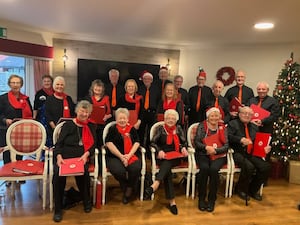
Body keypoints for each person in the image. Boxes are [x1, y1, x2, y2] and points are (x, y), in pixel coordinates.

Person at [52, 100, 96, 222]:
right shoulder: (68, 125)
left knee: (84, 173)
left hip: (81, 157)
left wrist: (86, 154)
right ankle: (58, 209)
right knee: (57, 175)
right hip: (64, 158)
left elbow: (93, 145)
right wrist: (59, 157)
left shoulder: (91, 126)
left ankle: (87, 202)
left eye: (86, 112)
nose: (84, 114)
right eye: (82, 111)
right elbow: (59, 144)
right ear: (77, 111)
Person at [144, 109, 188, 215]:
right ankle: (172, 202)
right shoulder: (160, 128)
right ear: (165, 119)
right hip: (163, 156)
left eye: (173, 118)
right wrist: (159, 151)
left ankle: (156, 184)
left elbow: (184, 142)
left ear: (176, 120)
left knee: (167, 164)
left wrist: (183, 148)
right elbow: (153, 142)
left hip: (176, 156)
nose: (170, 120)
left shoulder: (178, 128)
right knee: (167, 169)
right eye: (168, 118)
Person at [227, 106, 271, 202]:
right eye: (244, 113)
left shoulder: (254, 126)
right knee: (249, 166)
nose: (247, 115)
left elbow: (258, 141)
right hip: (237, 152)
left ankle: (252, 190)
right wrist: (240, 139)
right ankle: (241, 189)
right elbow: (228, 137)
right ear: (239, 114)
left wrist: (264, 148)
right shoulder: (232, 124)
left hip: (252, 153)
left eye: (249, 114)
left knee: (265, 167)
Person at [105, 108, 142, 204]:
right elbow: (109, 143)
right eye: (120, 118)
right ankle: (126, 186)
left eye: (124, 118)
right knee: (118, 171)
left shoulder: (132, 129)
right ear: (116, 119)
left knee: (136, 168)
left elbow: (137, 142)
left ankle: (128, 190)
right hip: (115, 156)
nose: (122, 120)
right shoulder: (112, 129)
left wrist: (128, 156)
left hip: (131, 155)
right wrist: (121, 156)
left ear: (127, 119)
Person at [0, 74, 33, 184]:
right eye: (13, 83)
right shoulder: (3, 98)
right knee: (7, 154)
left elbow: (30, 114)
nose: (15, 85)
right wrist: (5, 120)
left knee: (20, 153)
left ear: (21, 84)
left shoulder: (25, 99)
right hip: (6, 130)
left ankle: (20, 173)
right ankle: (8, 177)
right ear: (9, 84)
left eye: (17, 83)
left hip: (21, 131)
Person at [194, 107, 228, 212]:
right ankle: (201, 198)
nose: (214, 118)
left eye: (216, 116)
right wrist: (206, 148)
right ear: (208, 117)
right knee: (204, 168)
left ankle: (212, 199)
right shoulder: (201, 126)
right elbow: (197, 142)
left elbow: (226, 145)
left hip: (218, 155)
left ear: (219, 117)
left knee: (213, 170)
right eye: (212, 116)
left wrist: (216, 151)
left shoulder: (223, 128)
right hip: (203, 154)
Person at [137, 71, 160, 157]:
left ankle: (149, 152)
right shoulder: (139, 89)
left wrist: (157, 114)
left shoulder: (156, 89)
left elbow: (159, 102)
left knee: (151, 132)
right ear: (143, 80)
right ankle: (140, 150)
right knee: (141, 133)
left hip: (152, 113)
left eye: (148, 79)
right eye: (145, 79)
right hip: (142, 113)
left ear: (151, 80)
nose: (147, 80)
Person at [84, 79, 112, 148]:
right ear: (92, 88)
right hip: (90, 124)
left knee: (101, 143)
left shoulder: (107, 98)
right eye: (96, 87)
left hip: (103, 124)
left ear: (102, 89)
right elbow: (84, 110)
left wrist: (107, 116)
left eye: (100, 87)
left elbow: (111, 113)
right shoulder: (88, 98)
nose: (98, 88)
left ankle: (100, 155)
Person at [33, 74, 54, 147]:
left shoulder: (55, 92)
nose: (46, 83)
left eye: (48, 81)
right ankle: (42, 154)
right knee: (43, 136)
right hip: (41, 119)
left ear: (51, 82)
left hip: (52, 117)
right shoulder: (39, 93)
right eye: (45, 81)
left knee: (52, 135)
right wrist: (34, 118)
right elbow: (35, 107)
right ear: (42, 82)